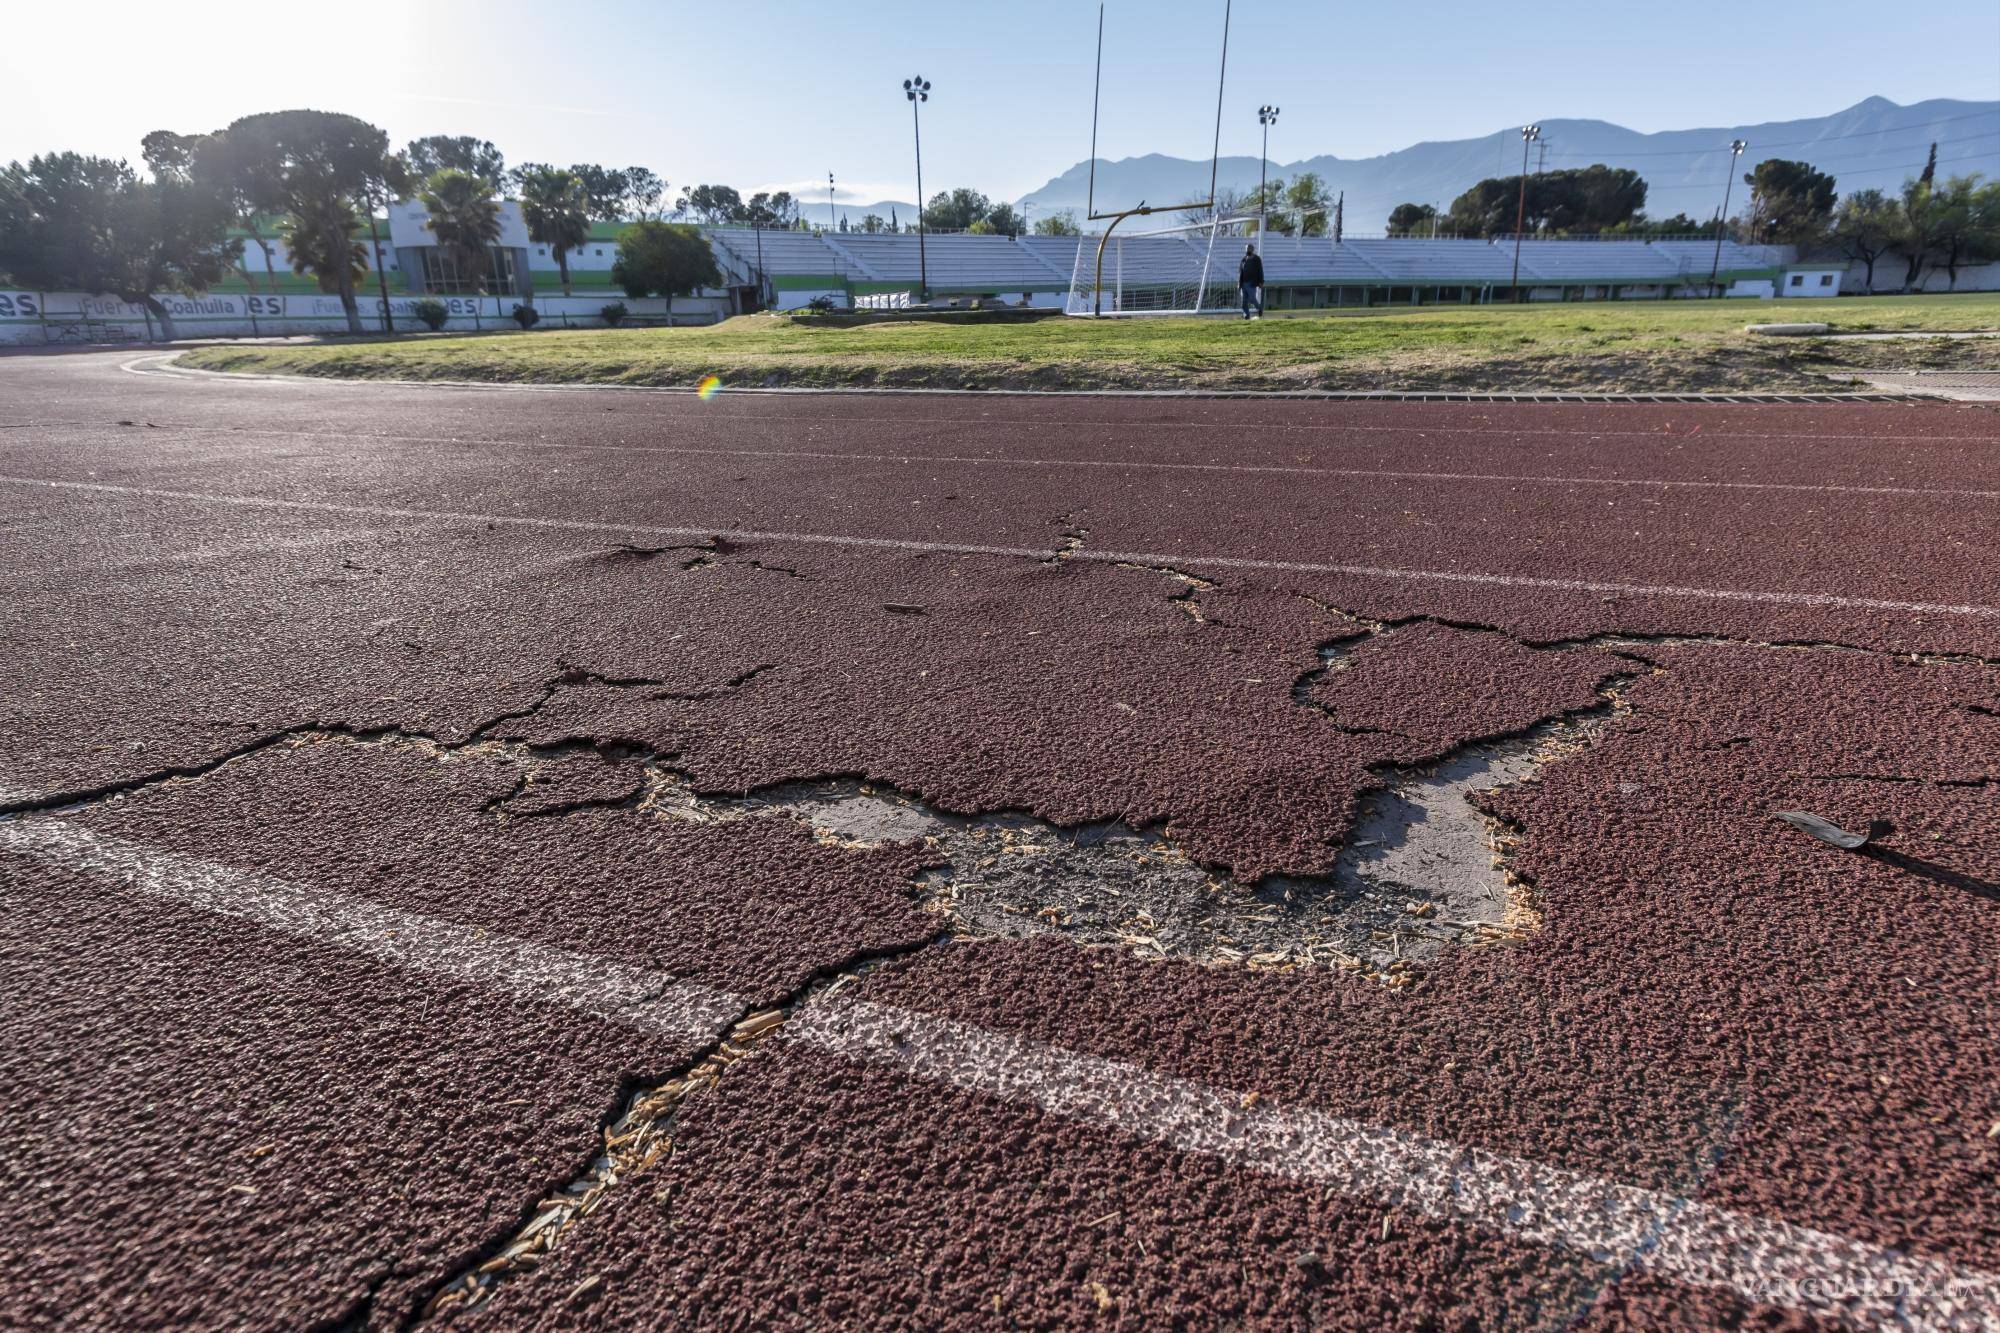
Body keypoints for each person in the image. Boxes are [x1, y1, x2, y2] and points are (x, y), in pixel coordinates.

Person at [1239, 244, 1265, 320]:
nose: (1247, 250)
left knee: (1252, 299)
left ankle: (1259, 308)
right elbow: (1240, 272)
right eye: (1246, 249)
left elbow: (1260, 270)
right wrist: (1239, 283)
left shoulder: (1257, 259)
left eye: (1249, 249)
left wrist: (1261, 282)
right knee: (1244, 301)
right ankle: (1246, 315)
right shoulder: (1244, 259)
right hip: (1243, 283)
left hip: (1252, 283)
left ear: (1252, 249)